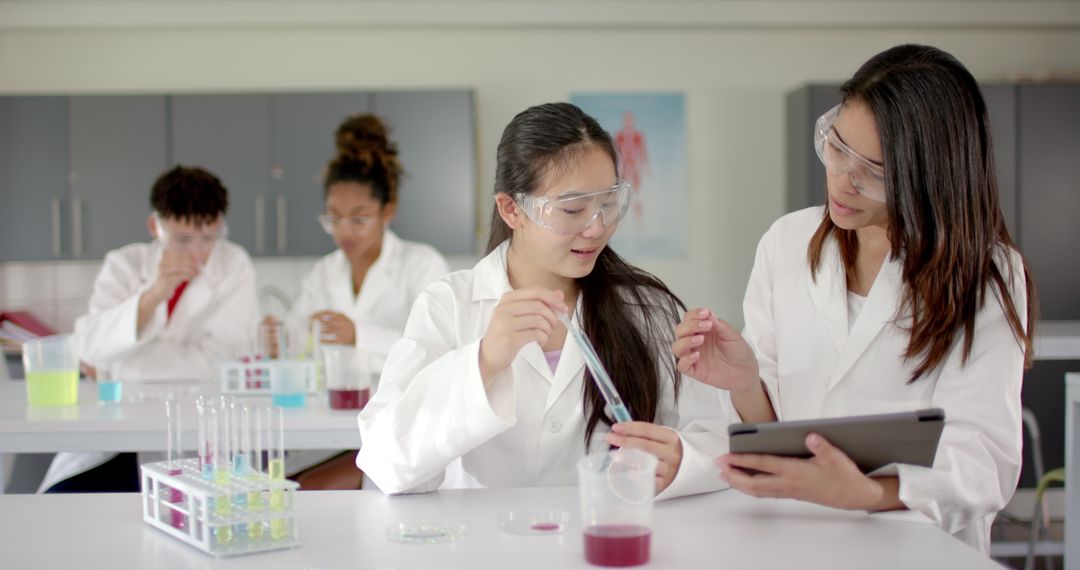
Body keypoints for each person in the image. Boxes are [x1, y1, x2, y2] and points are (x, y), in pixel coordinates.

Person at [671, 44, 1036, 553]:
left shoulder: (986, 274)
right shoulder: (787, 242)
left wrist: (864, 492)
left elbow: (984, 462)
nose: (844, 180)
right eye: (838, 147)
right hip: (792, 542)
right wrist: (746, 383)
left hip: (918, 548)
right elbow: (773, 439)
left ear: (930, 177)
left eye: (875, 170)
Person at [357, 102, 729, 498]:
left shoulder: (648, 309)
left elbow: (717, 437)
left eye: (607, 204)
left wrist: (683, 463)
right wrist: (484, 360)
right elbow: (386, 463)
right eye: (572, 210)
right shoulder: (448, 306)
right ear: (511, 209)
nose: (597, 228)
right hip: (486, 549)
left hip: (607, 543)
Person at [42, 165, 257, 493]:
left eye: (209, 237)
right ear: (155, 226)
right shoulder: (124, 264)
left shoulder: (233, 265)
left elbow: (220, 362)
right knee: (65, 504)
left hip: (195, 437)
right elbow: (86, 349)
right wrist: (154, 293)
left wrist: (117, 367)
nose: (197, 252)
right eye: (183, 239)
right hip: (114, 437)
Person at [279, 114, 449, 489]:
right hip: (333, 421)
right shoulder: (325, 271)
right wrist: (280, 337)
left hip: (401, 423)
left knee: (307, 491)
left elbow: (438, 352)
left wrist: (359, 334)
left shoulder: (421, 264)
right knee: (284, 483)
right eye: (334, 218)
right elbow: (294, 339)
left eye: (359, 219)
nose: (343, 232)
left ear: (387, 211)